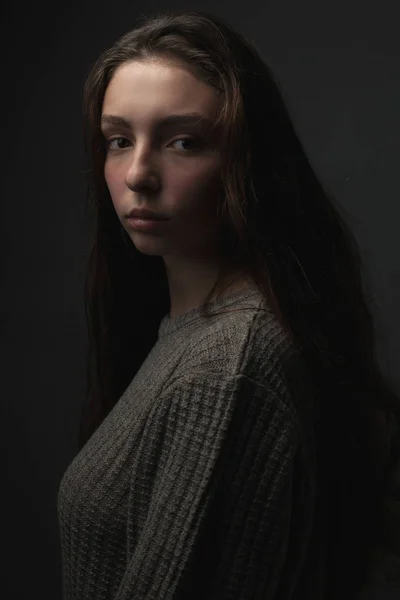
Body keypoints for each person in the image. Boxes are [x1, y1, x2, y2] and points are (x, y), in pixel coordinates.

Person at [57, 9, 400, 600]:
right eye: (118, 140)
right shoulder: (195, 336)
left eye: (183, 142)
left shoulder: (227, 366)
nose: (138, 174)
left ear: (247, 161)